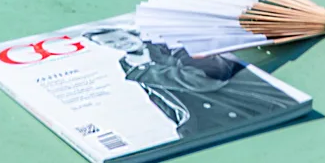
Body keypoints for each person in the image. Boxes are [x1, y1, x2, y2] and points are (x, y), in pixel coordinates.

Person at [82, 25, 295, 139]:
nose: (121, 44)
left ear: (131, 32)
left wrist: (147, 70)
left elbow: (205, 80)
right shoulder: (129, 61)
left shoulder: (168, 43)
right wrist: (181, 123)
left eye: (120, 38)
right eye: (111, 44)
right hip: (199, 124)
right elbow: (159, 96)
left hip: (248, 107)